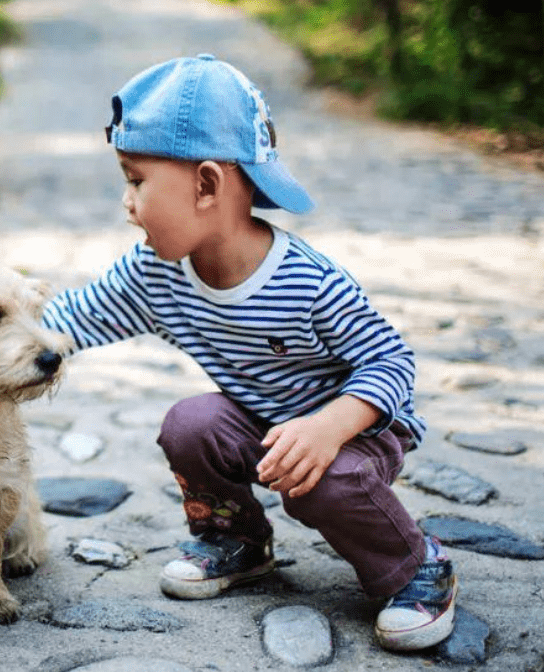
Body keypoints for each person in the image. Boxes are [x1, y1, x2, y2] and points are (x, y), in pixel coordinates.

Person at [41, 54, 457, 652]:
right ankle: (235, 541)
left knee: (321, 485)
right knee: (191, 424)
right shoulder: (156, 273)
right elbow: (70, 319)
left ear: (208, 184)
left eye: (136, 180)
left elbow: (391, 363)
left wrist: (328, 427)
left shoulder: (308, 283)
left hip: (353, 430)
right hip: (260, 418)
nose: (127, 203)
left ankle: (416, 565)